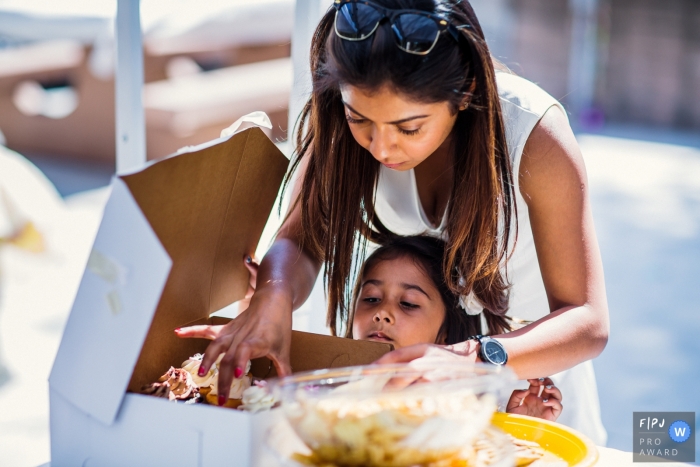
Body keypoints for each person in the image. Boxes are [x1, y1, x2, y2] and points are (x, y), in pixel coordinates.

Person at [177, 0, 608, 443]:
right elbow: (302, 238)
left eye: (409, 127)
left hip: (532, 387)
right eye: (358, 119)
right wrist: (275, 297)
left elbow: (589, 321)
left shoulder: (533, 134)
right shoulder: (339, 123)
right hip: (411, 400)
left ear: (466, 91)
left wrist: (475, 359)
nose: (381, 148)